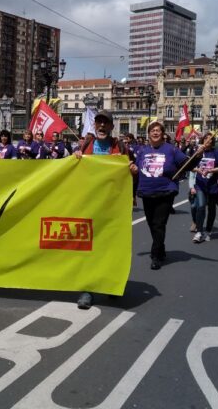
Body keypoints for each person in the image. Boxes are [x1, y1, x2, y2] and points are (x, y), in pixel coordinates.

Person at [74, 109, 138, 309]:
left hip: (112, 206)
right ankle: (87, 289)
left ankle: (111, 285)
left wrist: (133, 172)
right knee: (88, 247)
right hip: (89, 204)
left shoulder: (119, 147)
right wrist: (75, 158)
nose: (101, 126)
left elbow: (130, 172)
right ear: (95, 125)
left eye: (105, 123)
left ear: (111, 126)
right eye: (98, 123)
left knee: (111, 247)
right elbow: (73, 174)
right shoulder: (85, 146)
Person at [135, 121, 205, 267]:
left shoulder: (171, 150)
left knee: (159, 224)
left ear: (163, 134)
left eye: (158, 131)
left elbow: (187, 164)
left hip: (165, 192)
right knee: (151, 224)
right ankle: (161, 249)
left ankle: (156, 256)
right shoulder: (142, 151)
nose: (155, 133)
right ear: (148, 134)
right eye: (152, 130)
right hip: (147, 193)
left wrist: (197, 156)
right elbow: (136, 169)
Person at [191, 132, 218, 242]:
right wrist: (198, 170)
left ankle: (208, 230)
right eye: (206, 139)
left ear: (213, 142)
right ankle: (199, 231)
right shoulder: (198, 151)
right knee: (200, 206)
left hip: (213, 185)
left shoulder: (217, 153)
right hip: (200, 184)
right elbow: (190, 166)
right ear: (203, 140)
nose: (208, 141)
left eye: (210, 139)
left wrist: (210, 170)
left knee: (211, 209)